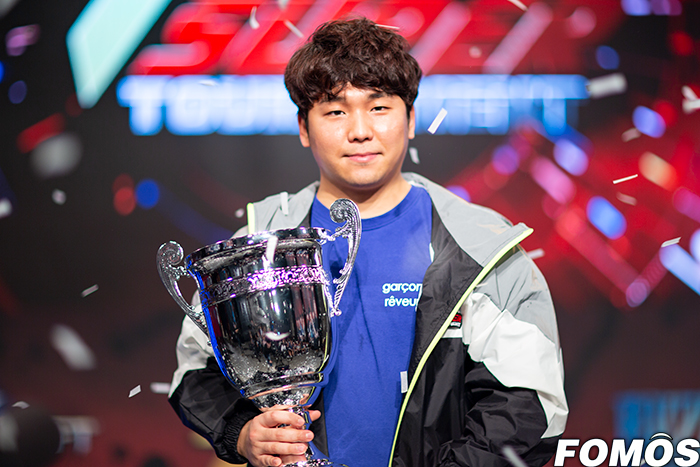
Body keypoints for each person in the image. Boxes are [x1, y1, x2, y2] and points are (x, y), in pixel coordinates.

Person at [168, 17, 568, 467]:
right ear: (303, 128)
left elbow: (528, 406)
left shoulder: (478, 246)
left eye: (378, 107)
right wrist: (242, 433)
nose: (360, 130)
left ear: (410, 120)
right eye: (335, 111)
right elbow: (196, 371)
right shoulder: (260, 246)